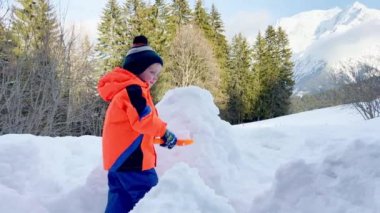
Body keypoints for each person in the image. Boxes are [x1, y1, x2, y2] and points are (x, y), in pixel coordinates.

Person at [97, 35, 178, 212]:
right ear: (137, 68)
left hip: (118, 162)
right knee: (152, 199)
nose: (155, 78)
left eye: (157, 74)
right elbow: (144, 120)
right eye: (152, 72)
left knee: (120, 202)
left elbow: (134, 127)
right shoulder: (134, 91)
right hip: (133, 161)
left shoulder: (125, 91)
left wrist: (157, 135)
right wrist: (164, 132)